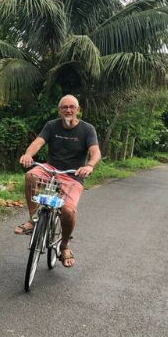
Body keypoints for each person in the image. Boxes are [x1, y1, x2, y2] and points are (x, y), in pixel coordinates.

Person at [15, 95, 101, 268]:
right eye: (64, 107)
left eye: (71, 107)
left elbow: (95, 152)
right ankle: (33, 219)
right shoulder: (51, 125)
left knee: (68, 211)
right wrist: (28, 155)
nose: (68, 110)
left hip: (73, 175)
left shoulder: (87, 129)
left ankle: (64, 245)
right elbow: (38, 142)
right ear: (59, 110)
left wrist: (89, 166)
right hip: (50, 169)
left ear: (78, 109)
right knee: (31, 176)